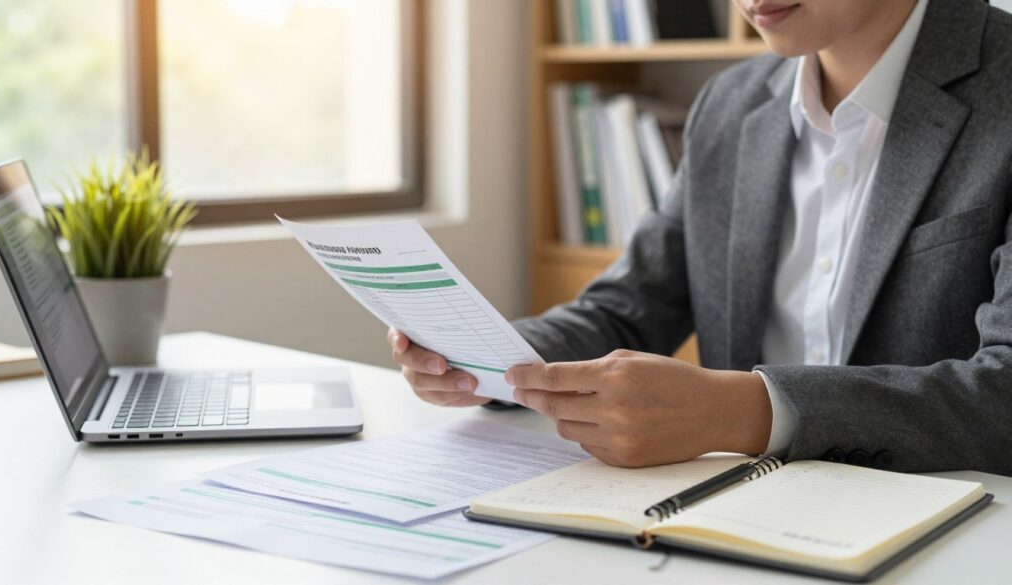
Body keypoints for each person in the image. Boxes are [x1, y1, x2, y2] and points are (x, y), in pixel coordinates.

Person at [389, 0, 1012, 475]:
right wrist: (485, 356)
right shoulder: (731, 104)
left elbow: (1002, 391)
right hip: (735, 508)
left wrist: (738, 411)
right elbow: (632, 307)